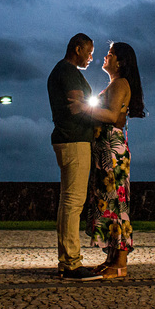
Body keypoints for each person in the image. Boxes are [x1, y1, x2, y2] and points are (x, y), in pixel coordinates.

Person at [71, 41, 145, 279]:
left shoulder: (121, 84)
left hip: (111, 152)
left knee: (117, 204)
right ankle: (111, 259)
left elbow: (113, 116)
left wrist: (83, 108)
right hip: (106, 150)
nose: (105, 57)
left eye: (110, 54)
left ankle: (120, 262)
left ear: (120, 62)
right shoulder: (116, 84)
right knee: (108, 202)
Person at [47, 33, 103, 281]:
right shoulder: (67, 71)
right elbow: (77, 106)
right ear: (77, 48)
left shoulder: (62, 70)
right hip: (74, 141)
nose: (92, 57)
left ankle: (67, 260)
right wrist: (102, 114)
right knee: (73, 203)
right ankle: (71, 263)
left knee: (68, 203)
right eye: (89, 51)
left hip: (68, 139)